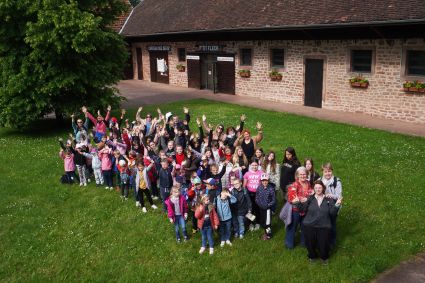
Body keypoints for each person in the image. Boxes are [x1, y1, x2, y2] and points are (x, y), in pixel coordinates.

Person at [297, 180, 342, 264]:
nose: (318, 189)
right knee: (310, 243)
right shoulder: (310, 198)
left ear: (323, 188)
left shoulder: (329, 199)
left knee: (324, 244)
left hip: (324, 225)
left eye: (320, 187)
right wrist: (297, 203)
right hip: (309, 225)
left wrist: (337, 205)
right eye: (316, 188)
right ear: (314, 189)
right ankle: (312, 256)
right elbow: (303, 210)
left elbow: (332, 213)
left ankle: (324, 257)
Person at [285, 166, 313, 249]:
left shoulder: (308, 183)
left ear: (307, 175)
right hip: (295, 210)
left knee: (304, 226)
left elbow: (311, 192)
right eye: (301, 174)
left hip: (305, 209)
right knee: (292, 227)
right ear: (297, 175)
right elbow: (291, 198)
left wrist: (308, 197)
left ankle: (303, 243)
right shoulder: (294, 185)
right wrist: (302, 199)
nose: (303, 176)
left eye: (304, 174)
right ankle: (289, 244)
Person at [320, 162, 342, 247]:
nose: (327, 173)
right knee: (323, 223)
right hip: (323, 206)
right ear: (322, 172)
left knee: (332, 223)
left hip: (333, 205)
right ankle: (324, 240)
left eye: (329, 171)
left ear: (332, 171)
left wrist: (331, 195)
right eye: (325, 171)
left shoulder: (336, 181)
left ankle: (332, 242)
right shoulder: (320, 180)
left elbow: (339, 196)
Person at [243, 160, 263, 231]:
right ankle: (251, 223)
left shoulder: (261, 173)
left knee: (257, 208)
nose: (254, 166)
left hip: (258, 194)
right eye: (253, 165)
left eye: (256, 165)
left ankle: (257, 222)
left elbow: (263, 183)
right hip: (249, 194)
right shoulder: (247, 174)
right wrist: (245, 193)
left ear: (258, 165)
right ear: (250, 166)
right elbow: (244, 185)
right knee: (250, 209)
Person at [255, 174, 276, 240]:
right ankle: (265, 232)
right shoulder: (259, 187)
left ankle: (268, 235)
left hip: (267, 209)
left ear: (268, 180)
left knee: (268, 223)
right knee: (263, 221)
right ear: (261, 181)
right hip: (261, 208)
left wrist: (268, 205)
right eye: (263, 180)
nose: (264, 182)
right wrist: (259, 204)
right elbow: (257, 197)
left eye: (266, 180)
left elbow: (273, 200)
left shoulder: (271, 189)